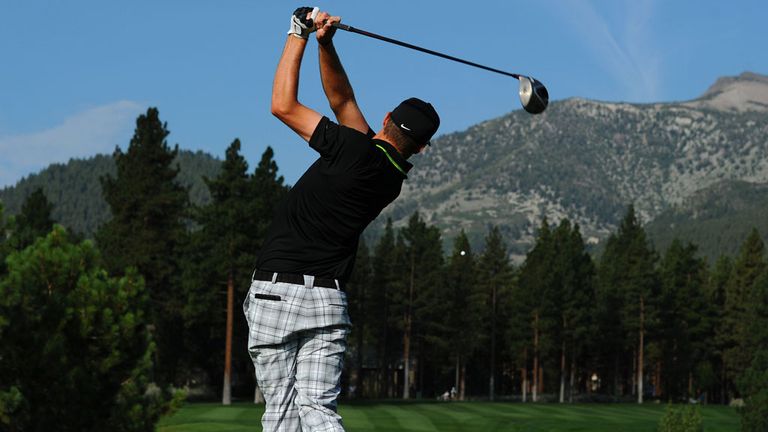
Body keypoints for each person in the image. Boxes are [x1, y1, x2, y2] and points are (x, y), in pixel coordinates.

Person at [242, 7, 440, 432]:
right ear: (421, 149)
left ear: (386, 118)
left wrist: (297, 33)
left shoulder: (350, 148)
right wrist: (326, 43)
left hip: (276, 292)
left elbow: (283, 105)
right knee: (319, 413)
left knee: (280, 415)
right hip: (327, 303)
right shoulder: (392, 175)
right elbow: (342, 101)